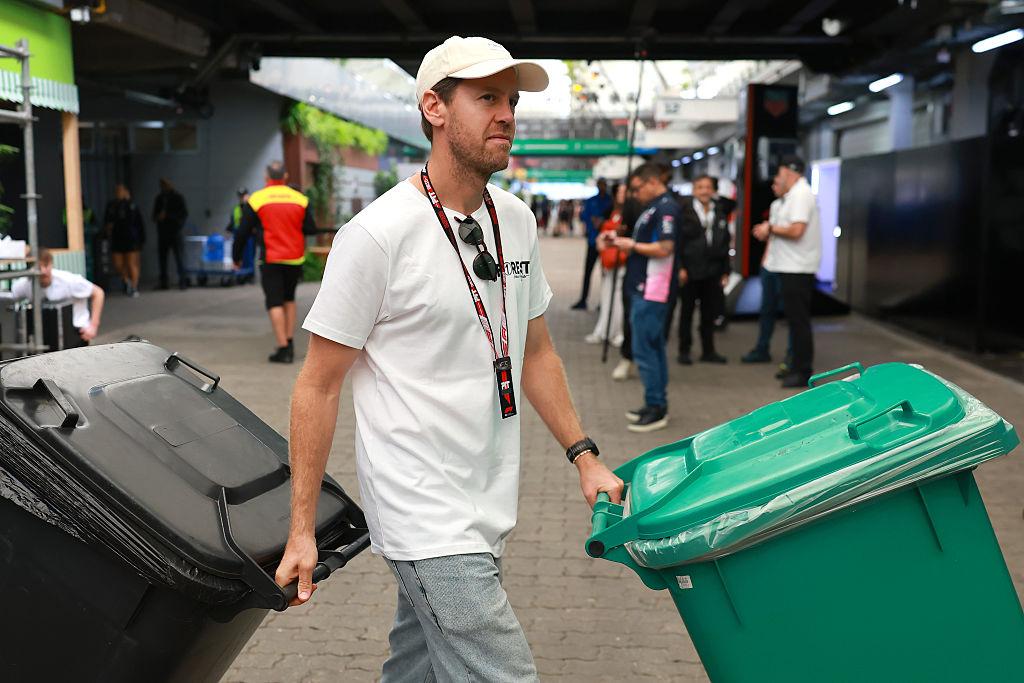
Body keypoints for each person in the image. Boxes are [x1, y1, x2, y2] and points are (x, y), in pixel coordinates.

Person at [273, 36, 623, 681]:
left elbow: (536, 353)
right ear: (434, 108)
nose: (507, 115)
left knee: (418, 667)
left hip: (489, 496)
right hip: (422, 508)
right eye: (487, 98)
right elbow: (317, 386)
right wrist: (302, 529)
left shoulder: (516, 220)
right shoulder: (377, 235)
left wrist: (585, 456)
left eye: (511, 101)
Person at [603, 162, 680, 432]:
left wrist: (632, 245)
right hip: (644, 287)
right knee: (650, 348)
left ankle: (657, 408)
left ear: (652, 182)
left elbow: (665, 248)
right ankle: (654, 403)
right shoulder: (654, 207)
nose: (634, 195)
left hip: (652, 290)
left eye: (637, 189)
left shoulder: (666, 208)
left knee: (646, 349)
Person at [233, 161, 317, 364]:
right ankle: (289, 341)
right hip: (294, 258)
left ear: (266, 177)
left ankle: (283, 347)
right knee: (289, 298)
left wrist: (236, 257)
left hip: (271, 258)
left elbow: (242, 232)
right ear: (285, 176)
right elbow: (311, 229)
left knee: (274, 301)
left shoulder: (257, 199)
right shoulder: (300, 199)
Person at [752, 155, 821, 388]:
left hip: (797, 267)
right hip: (789, 265)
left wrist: (770, 228)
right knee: (793, 320)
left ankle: (802, 371)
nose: (777, 179)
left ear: (790, 174)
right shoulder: (792, 196)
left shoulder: (801, 194)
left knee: (799, 321)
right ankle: (795, 366)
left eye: (780, 174)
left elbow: (797, 230)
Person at [668, 174, 731, 365]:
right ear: (694, 190)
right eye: (700, 187)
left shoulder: (719, 210)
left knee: (708, 313)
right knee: (686, 312)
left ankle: (708, 351)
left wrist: (725, 270)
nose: (704, 191)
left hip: (712, 271)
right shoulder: (683, 211)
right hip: (690, 270)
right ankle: (684, 350)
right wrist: (680, 267)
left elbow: (725, 242)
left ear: (713, 190)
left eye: (707, 187)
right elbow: (676, 242)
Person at [12, 248, 105, 347]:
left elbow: (98, 293)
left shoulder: (69, 280)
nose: (43, 271)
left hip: (75, 333)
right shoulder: (24, 284)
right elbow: (9, 300)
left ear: (51, 264)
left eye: (46, 265)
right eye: (38, 268)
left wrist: (93, 326)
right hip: (46, 334)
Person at [742, 175, 790, 367]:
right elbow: (772, 238)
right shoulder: (776, 206)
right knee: (766, 310)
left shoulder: (797, 205)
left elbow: (796, 231)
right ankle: (762, 349)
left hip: (787, 267)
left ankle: (791, 356)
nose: (773, 187)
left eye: (777, 183)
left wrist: (769, 228)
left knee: (791, 314)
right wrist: (764, 261)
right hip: (770, 265)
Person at [584, 183, 627, 345]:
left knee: (618, 298)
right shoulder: (611, 211)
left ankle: (617, 332)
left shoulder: (630, 213)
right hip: (608, 261)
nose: (622, 195)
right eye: (620, 192)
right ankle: (604, 330)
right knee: (607, 296)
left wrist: (610, 235)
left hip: (622, 261)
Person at [610, 188, 644, 380]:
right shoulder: (630, 207)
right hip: (633, 269)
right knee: (630, 315)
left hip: (656, 275)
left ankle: (644, 360)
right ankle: (627, 357)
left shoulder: (663, 206)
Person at [571, 178, 611, 310]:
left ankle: (604, 302)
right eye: (600, 185)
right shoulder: (591, 201)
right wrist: (592, 222)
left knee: (606, 274)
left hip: (606, 243)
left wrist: (602, 221)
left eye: (603, 185)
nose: (602, 187)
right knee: (588, 272)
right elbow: (583, 216)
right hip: (593, 241)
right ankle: (583, 300)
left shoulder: (610, 201)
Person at [103, 183, 144, 297]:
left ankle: (134, 287)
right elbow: (107, 220)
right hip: (117, 238)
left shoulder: (131, 205)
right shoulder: (112, 205)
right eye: (117, 191)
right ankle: (127, 281)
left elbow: (138, 223)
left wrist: (141, 239)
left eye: (121, 190)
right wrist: (108, 229)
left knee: (131, 263)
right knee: (118, 264)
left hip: (131, 238)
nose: (119, 193)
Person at [152, 178, 189, 290]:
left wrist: (170, 217)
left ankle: (183, 281)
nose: (164, 187)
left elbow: (183, 214)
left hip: (175, 232)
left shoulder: (177, 198)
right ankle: (164, 282)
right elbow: (154, 215)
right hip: (163, 232)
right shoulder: (159, 198)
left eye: (165, 184)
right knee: (162, 258)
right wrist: (158, 217)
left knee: (179, 257)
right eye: (162, 185)